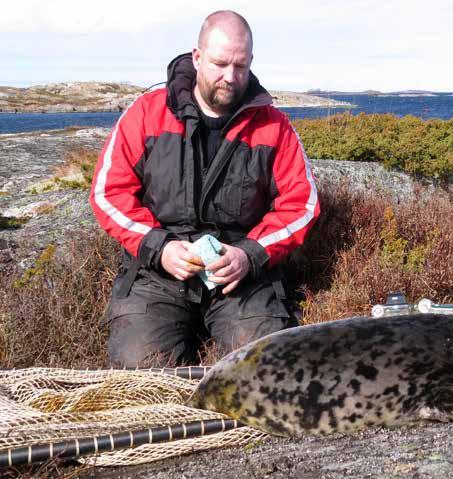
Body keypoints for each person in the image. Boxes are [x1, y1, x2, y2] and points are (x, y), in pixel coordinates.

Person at [90, 10, 320, 367]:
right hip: (159, 273)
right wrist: (158, 246)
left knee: (264, 367)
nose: (230, 77)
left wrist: (251, 255)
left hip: (241, 275)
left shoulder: (275, 126)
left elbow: (301, 204)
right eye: (220, 63)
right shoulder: (146, 113)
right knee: (140, 370)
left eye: (240, 66)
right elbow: (108, 192)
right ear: (197, 57)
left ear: (251, 62)